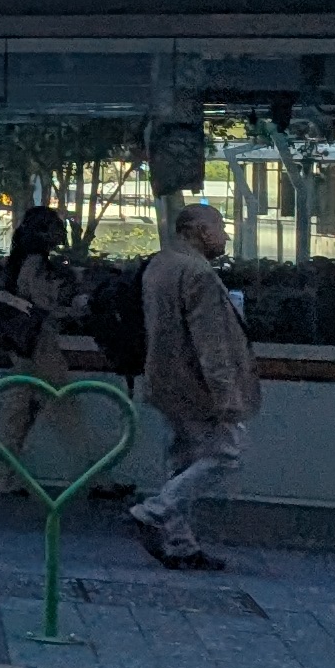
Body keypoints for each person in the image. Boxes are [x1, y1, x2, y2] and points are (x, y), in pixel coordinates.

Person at [126, 200, 261, 569]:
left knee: (183, 460)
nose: (225, 236)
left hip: (164, 379)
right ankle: (154, 511)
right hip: (196, 385)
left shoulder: (160, 265)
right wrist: (226, 396)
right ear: (201, 231)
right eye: (220, 228)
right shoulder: (198, 274)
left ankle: (180, 544)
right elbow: (211, 344)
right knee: (227, 453)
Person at [0, 204, 82, 497]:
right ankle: (96, 475)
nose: (61, 233)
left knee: (18, 410)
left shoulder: (20, 259)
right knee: (63, 406)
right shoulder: (36, 262)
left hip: (24, 343)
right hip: (39, 341)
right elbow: (41, 303)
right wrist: (74, 304)